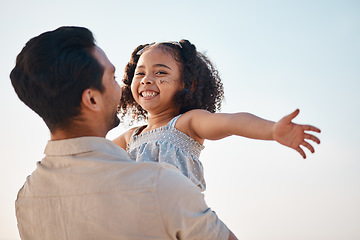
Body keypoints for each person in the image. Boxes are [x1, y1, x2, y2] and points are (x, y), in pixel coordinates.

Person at [11, 27, 237, 240]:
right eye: (112, 78)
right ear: (92, 99)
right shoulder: (162, 184)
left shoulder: (27, 199)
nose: (122, 88)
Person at [113, 40, 321, 191]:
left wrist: (272, 130)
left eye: (160, 73)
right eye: (140, 73)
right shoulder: (131, 137)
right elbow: (91, 152)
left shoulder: (187, 122)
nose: (147, 79)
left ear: (187, 84)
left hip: (181, 219)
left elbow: (232, 122)